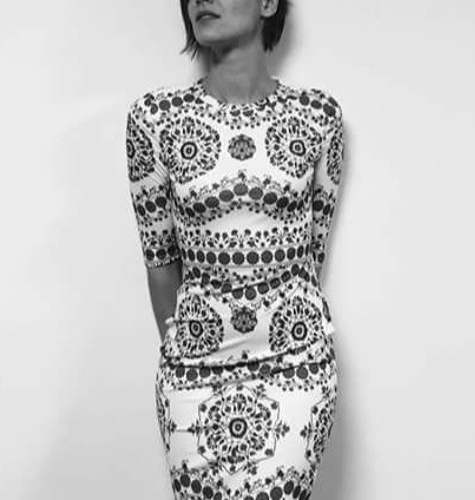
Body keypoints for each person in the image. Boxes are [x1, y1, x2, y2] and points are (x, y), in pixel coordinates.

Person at [125, 0, 345, 498]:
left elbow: (312, 252)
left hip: (295, 362)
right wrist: (185, 346)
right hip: (193, 368)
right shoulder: (155, 119)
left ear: (268, 3)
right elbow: (159, 258)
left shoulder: (319, 116)